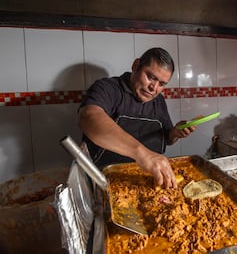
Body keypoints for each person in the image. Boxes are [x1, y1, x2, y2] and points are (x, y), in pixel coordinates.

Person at [78, 47, 196, 189]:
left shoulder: (158, 101)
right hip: (103, 180)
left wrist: (175, 133)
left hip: (147, 181)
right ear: (135, 66)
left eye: (162, 84)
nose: (154, 88)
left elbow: (167, 138)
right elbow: (89, 117)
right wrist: (143, 154)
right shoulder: (108, 88)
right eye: (151, 77)